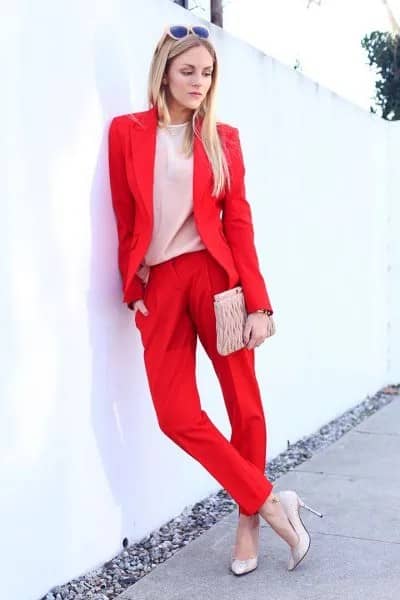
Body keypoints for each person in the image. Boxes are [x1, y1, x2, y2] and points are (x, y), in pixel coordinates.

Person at [108, 23, 323, 576]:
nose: (199, 81)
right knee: (176, 414)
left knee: (242, 402)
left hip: (215, 278)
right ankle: (272, 501)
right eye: (188, 71)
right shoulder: (126, 132)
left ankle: (247, 522)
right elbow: (126, 217)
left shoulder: (221, 138)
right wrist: (131, 287)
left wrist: (259, 303)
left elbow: (239, 221)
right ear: (164, 72)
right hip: (159, 286)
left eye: (207, 73)